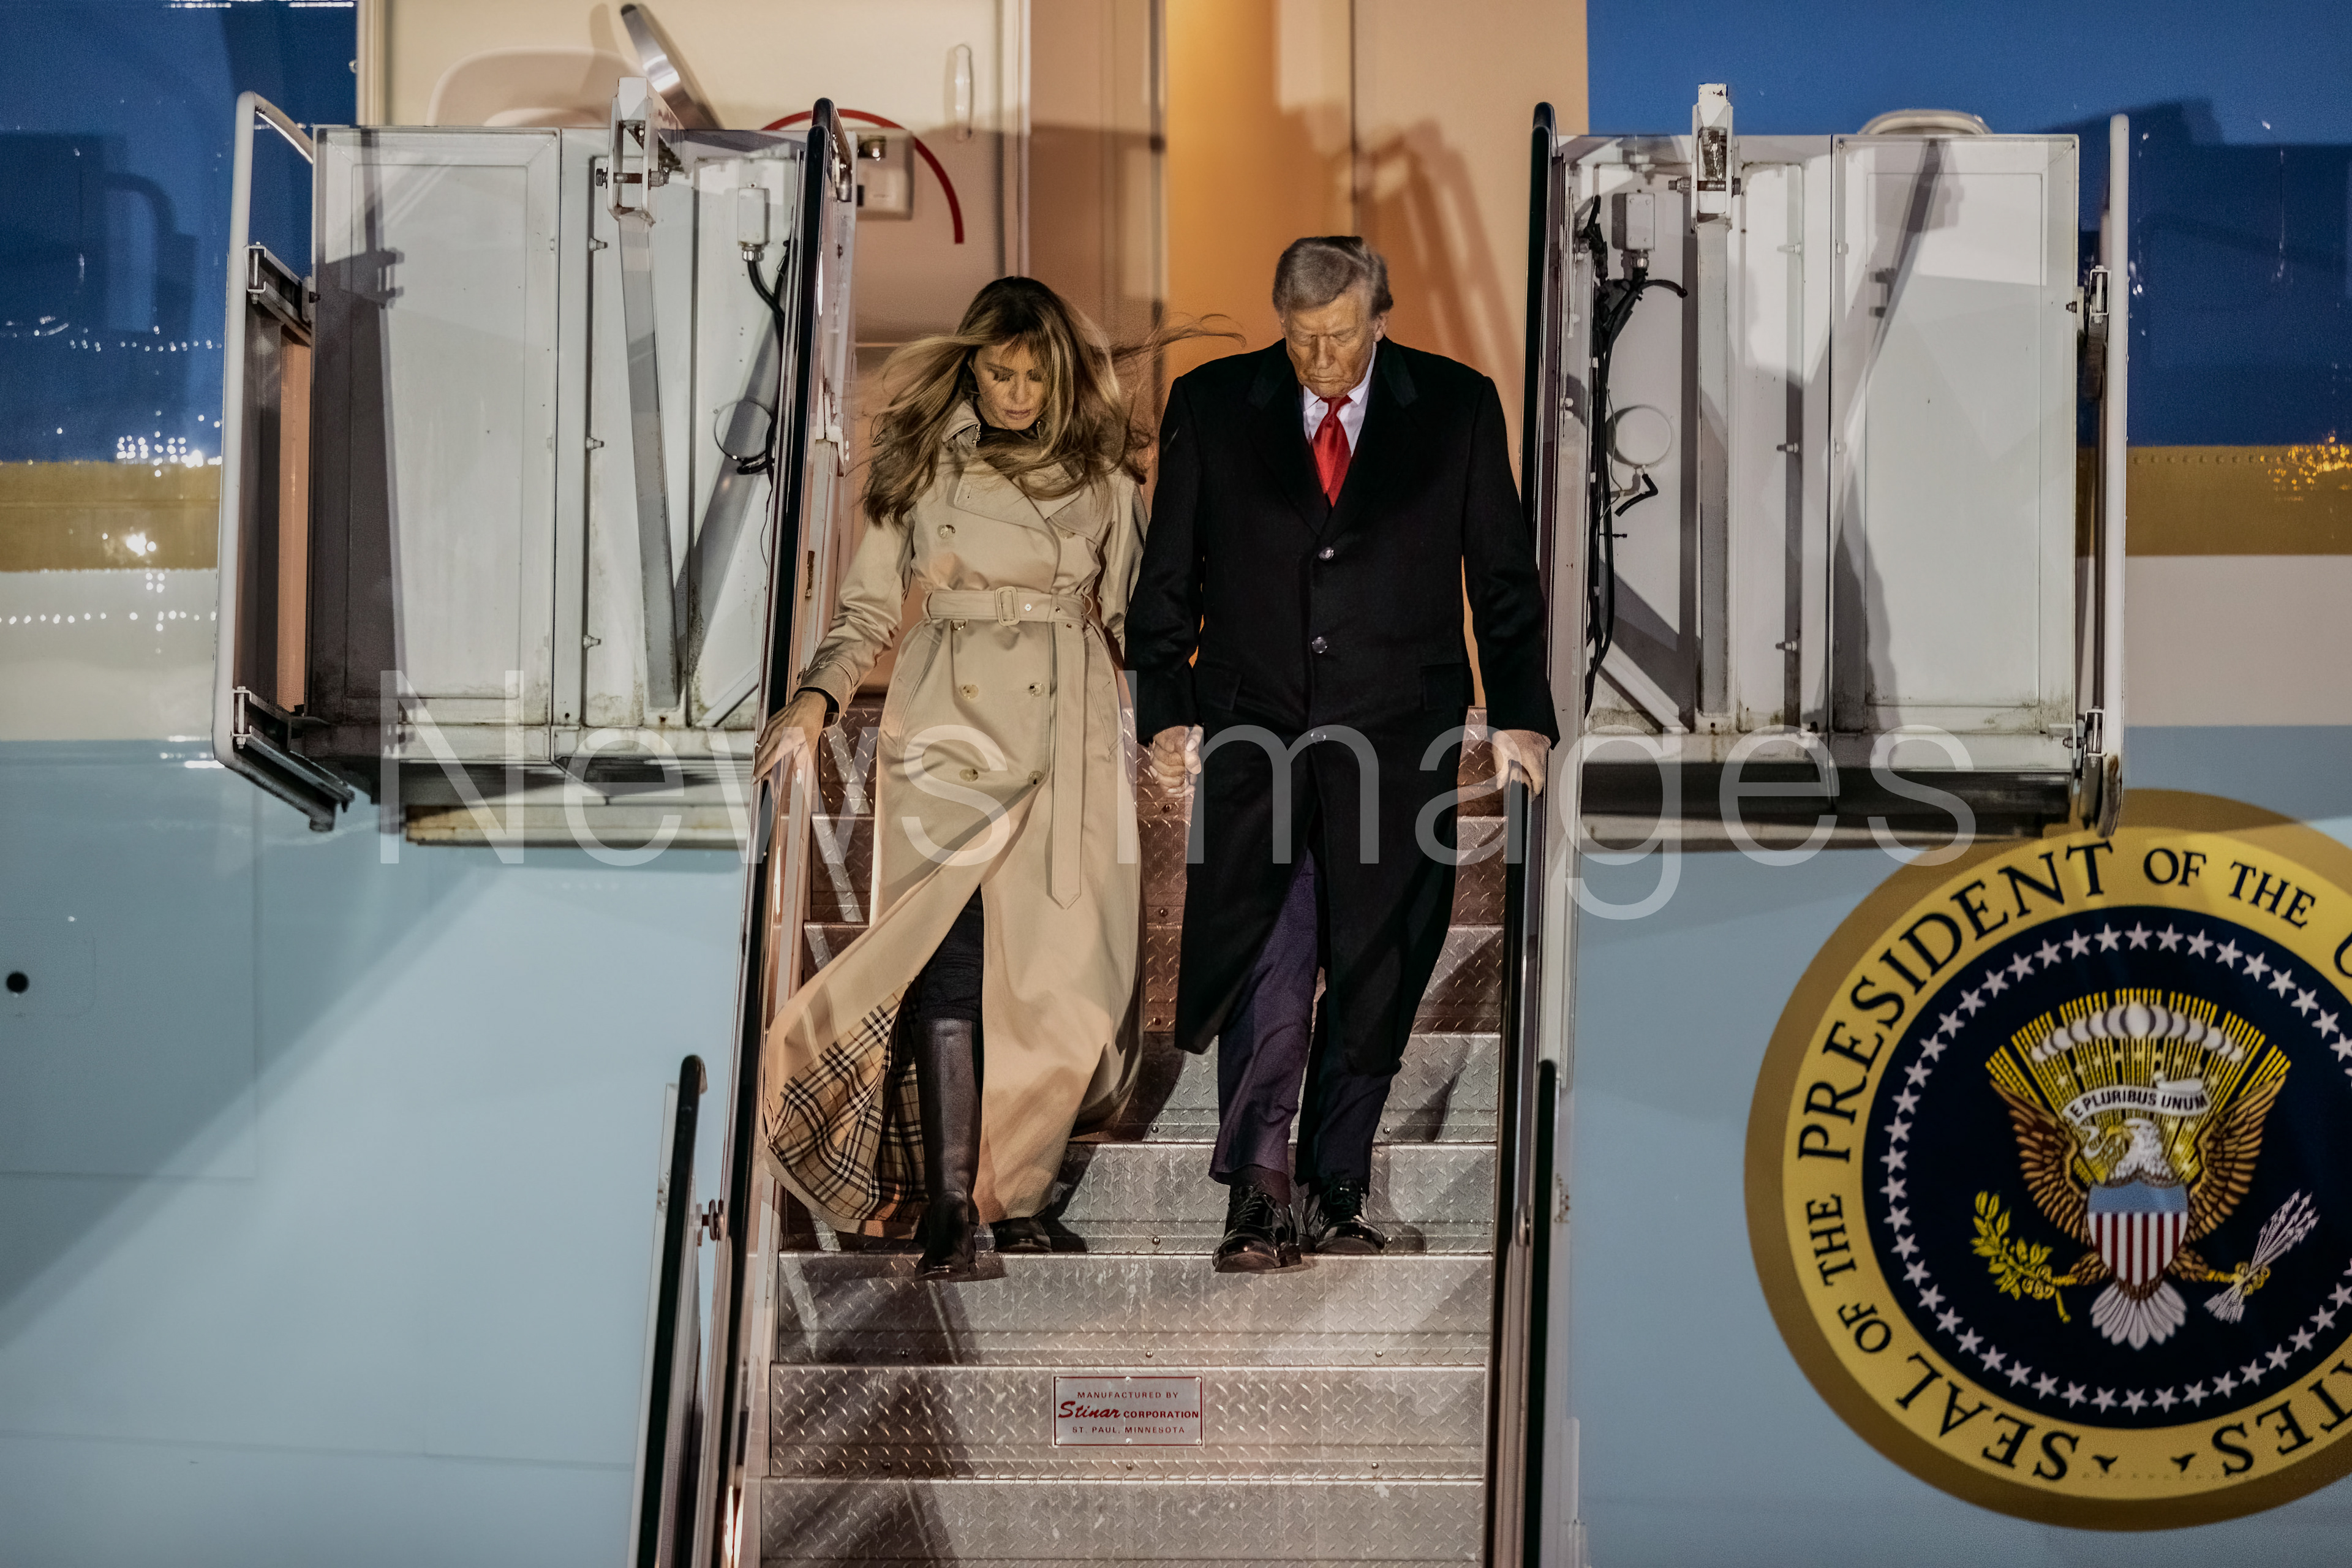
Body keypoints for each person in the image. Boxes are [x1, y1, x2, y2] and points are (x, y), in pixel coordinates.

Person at [1126, 236, 1559, 1272]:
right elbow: (1167, 573)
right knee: (1268, 955)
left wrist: (1522, 713)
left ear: (1380, 318)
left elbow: (1501, 577)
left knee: (1380, 962)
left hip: (1396, 736)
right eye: (1299, 338)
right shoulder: (1215, 402)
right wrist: (1166, 707)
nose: (1317, 358)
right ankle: (1259, 1194)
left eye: (1337, 337)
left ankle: (1338, 1181)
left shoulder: (1455, 406)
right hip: (1255, 730)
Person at [753, 277, 1148, 1281]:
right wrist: (818, 698)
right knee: (948, 953)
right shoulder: (923, 458)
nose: (1017, 392)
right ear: (971, 363)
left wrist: (1186, 721)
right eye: (998, 370)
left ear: (1061, 373)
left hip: (1071, 721)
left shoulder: (1108, 477)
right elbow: (867, 608)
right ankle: (947, 1207)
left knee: (1067, 983)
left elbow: (1145, 616)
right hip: (949, 723)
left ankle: (1012, 1194)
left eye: (1033, 374)